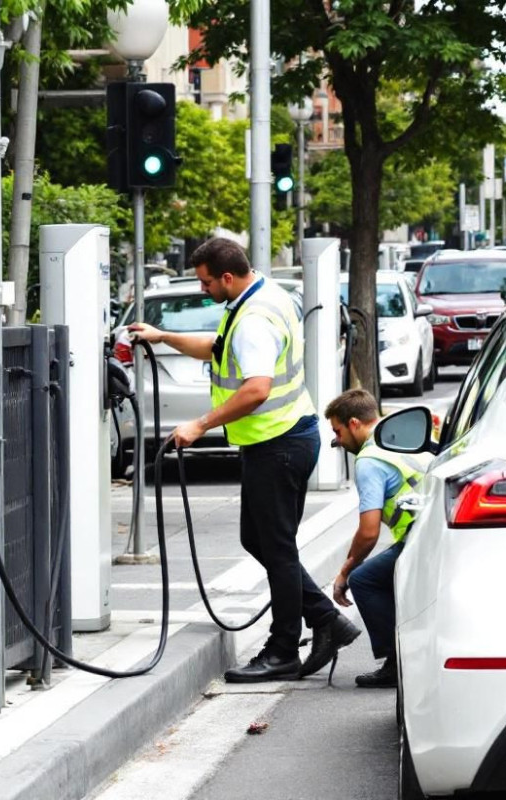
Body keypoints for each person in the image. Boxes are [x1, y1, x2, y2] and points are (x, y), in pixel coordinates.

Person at [129, 238, 359, 683]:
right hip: (283, 438)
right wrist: (163, 337)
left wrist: (200, 424)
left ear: (227, 277)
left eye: (206, 282)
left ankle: (284, 649)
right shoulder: (265, 295)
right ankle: (326, 622)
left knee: (274, 547)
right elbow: (217, 349)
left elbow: (256, 388)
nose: (203, 289)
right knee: (262, 542)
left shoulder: (252, 320)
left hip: (278, 443)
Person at [324, 388, 427, 688]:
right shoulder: (398, 440)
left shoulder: (368, 460)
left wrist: (345, 571)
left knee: (365, 579)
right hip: (432, 533)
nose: (337, 441)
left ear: (354, 423)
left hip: (419, 539)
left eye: (338, 431)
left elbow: (368, 532)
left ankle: (397, 662)